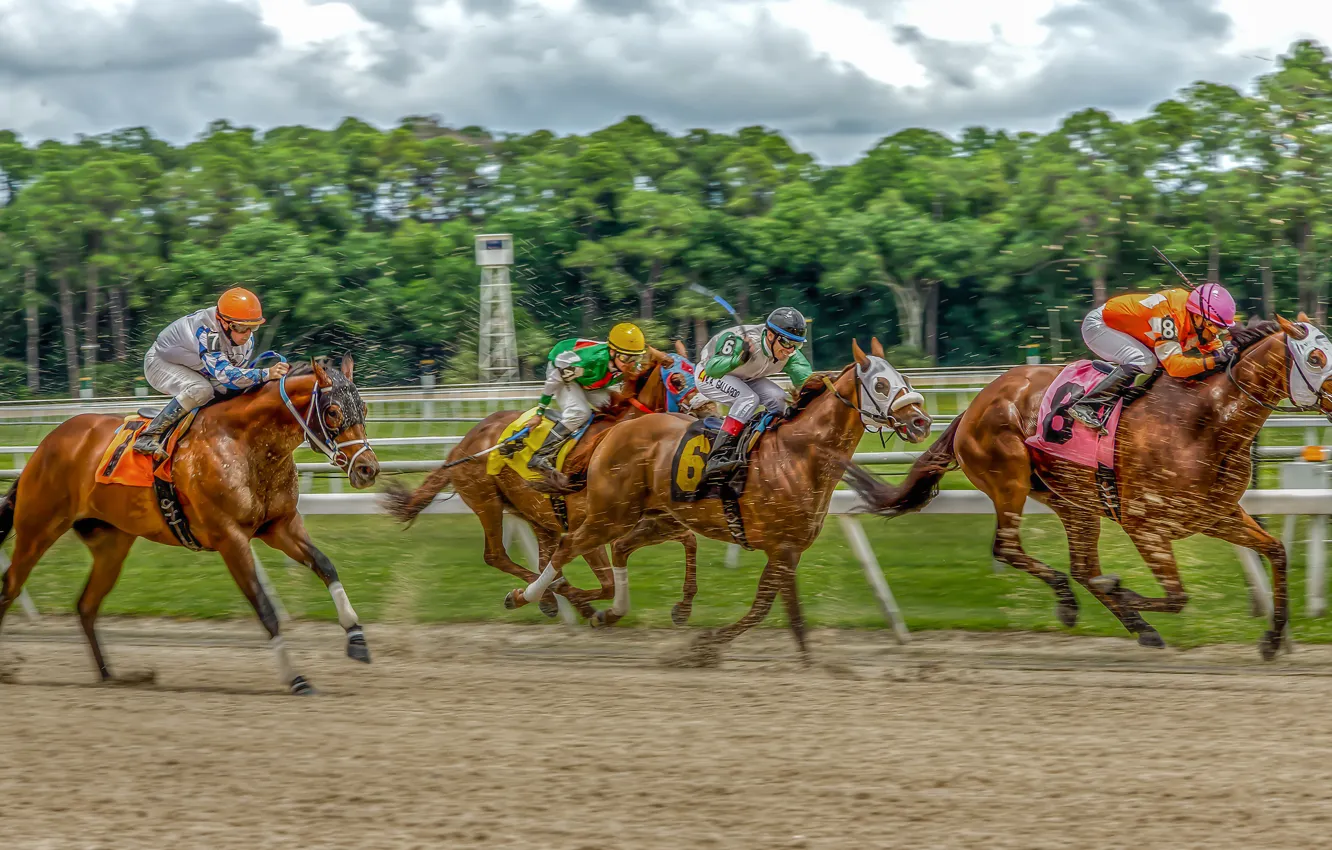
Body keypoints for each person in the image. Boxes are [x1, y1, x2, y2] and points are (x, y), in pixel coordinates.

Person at [134, 287, 291, 459]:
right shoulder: (207, 331)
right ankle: (149, 435)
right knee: (201, 390)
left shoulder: (246, 341)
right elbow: (226, 375)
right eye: (241, 328)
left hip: (197, 367)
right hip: (160, 363)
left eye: (252, 327)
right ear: (224, 323)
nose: (247, 335)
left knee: (228, 394)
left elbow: (236, 382)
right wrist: (266, 374)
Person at [1065, 283, 1237, 432]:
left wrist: (1225, 353)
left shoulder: (1196, 317)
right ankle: (1087, 405)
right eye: (1215, 327)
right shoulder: (1167, 318)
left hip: (1130, 332)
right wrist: (1213, 361)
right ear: (1198, 317)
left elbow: (1215, 349)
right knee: (1146, 361)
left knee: (1154, 364)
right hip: (1100, 327)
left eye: (1221, 329)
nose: (1216, 333)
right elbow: (1175, 367)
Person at [695, 306, 813, 478]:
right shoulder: (740, 340)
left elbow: (807, 383)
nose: (791, 351)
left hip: (745, 376)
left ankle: (768, 446)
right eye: (787, 343)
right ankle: (718, 455)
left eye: (797, 344)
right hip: (709, 374)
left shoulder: (790, 354)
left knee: (780, 398)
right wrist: (738, 359)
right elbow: (713, 369)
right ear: (771, 335)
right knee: (749, 399)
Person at [526, 322, 647, 476]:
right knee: (579, 412)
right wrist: (539, 412)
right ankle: (540, 456)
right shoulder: (591, 361)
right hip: (561, 372)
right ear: (612, 352)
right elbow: (554, 380)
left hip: (587, 377)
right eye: (625, 358)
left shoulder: (629, 364)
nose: (630, 364)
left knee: (616, 407)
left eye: (635, 358)